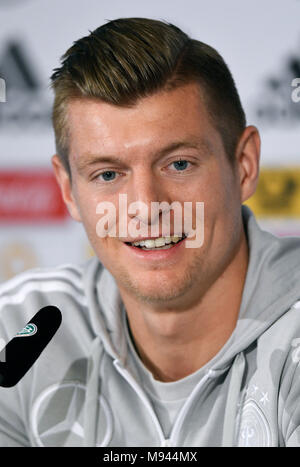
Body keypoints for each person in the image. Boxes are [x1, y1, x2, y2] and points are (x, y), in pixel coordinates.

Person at [0, 17, 300, 448]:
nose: (145, 207)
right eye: (107, 174)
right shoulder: (19, 331)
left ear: (245, 165)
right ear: (68, 189)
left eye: (179, 164)